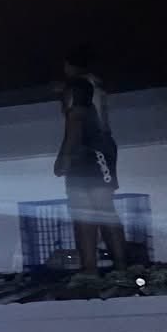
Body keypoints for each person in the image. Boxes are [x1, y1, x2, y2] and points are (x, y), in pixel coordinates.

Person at [55, 76, 126, 274]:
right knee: (98, 213)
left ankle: (97, 268)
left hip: (92, 160)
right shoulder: (93, 112)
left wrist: (62, 161)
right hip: (94, 160)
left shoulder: (78, 112)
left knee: (96, 214)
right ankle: (105, 267)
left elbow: (73, 135)